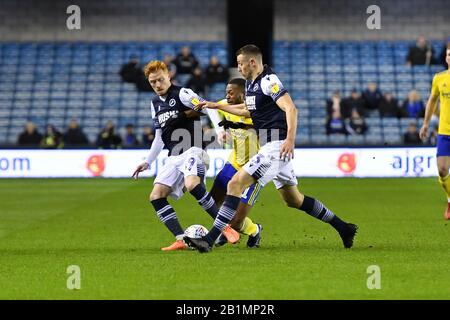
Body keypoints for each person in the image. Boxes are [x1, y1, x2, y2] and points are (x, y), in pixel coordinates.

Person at [185, 44, 358, 253]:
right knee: (294, 200)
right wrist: (218, 105)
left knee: (234, 184)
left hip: (276, 146)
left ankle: (209, 240)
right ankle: (344, 227)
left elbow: (290, 108)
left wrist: (289, 140)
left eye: (240, 63)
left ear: (252, 62)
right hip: (272, 147)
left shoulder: (269, 81)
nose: (238, 68)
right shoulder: (251, 85)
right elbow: (248, 111)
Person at [131, 60, 239, 251]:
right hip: (174, 156)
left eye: (160, 79)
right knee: (156, 195)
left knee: (192, 184)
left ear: (169, 76)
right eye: (152, 82)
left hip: (194, 150)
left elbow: (206, 107)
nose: (157, 85)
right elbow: (159, 136)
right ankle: (181, 239)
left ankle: (225, 227)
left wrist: (220, 130)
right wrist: (147, 161)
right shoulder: (154, 104)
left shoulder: (182, 93)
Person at [210, 78, 262, 248]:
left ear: (243, 94)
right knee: (213, 199)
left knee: (238, 221)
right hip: (234, 161)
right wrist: (220, 131)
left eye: (231, 92)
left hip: (253, 169)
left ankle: (254, 230)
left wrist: (231, 123)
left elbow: (249, 123)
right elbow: (210, 109)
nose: (227, 96)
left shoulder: (256, 110)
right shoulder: (226, 104)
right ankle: (225, 229)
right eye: (226, 92)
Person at [419, 43, 450, 220]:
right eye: (448, 54)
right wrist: (425, 124)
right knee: (442, 170)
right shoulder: (439, 78)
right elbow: (432, 101)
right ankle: (449, 201)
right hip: (445, 132)